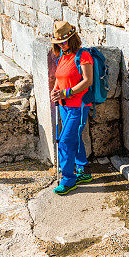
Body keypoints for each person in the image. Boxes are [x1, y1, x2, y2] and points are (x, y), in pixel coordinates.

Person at [50, 21, 94, 195]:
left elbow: (87, 81)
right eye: (59, 42)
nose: (62, 44)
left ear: (73, 38)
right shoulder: (62, 55)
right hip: (64, 106)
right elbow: (59, 78)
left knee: (66, 141)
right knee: (74, 137)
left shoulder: (83, 56)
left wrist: (66, 93)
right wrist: (55, 90)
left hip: (78, 107)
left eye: (65, 41)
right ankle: (82, 170)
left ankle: (68, 180)